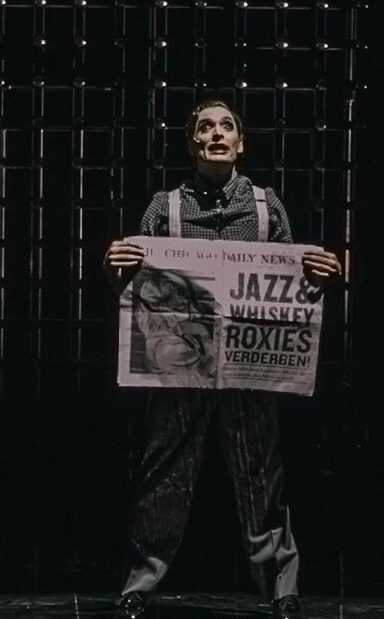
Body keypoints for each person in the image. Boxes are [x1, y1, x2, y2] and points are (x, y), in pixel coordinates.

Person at [103, 97, 343, 619]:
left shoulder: (265, 206)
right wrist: (115, 270)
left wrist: (318, 274)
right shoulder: (164, 207)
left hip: (247, 369)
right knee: (164, 474)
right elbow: (137, 290)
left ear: (240, 142)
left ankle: (282, 589)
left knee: (261, 477)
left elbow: (291, 285)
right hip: (180, 367)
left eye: (226, 126)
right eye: (206, 127)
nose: (216, 133)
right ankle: (139, 583)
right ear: (192, 143)